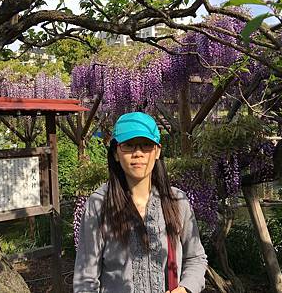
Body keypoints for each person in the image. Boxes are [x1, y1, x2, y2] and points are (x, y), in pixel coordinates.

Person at [74, 112, 207, 293]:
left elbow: (196, 258)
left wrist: (185, 289)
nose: (138, 153)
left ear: (157, 151)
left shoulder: (176, 201)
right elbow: (86, 279)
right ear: (115, 153)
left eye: (146, 145)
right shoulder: (99, 204)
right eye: (128, 146)